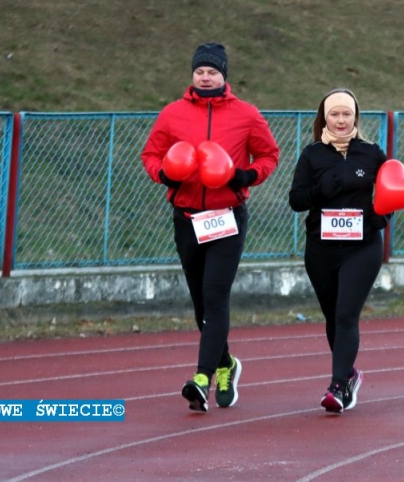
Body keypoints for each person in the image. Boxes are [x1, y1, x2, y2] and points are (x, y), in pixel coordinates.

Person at [141, 42, 280, 412]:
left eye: (212, 71)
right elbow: (150, 155)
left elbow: (269, 154)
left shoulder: (246, 115)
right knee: (201, 304)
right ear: (193, 75)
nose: (205, 77)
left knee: (216, 297)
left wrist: (246, 175)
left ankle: (201, 378)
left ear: (224, 76)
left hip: (226, 219)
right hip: (186, 219)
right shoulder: (171, 114)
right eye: (200, 71)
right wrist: (165, 174)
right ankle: (227, 364)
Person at [288, 88, 389, 414]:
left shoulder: (373, 153)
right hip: (321, 248)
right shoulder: (311, 155)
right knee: (333, 317)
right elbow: (296, 200)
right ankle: (348, 374)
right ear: (324, 118)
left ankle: (336, 386)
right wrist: (321, 190)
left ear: (356, 117)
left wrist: (382, 216)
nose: (341, 120)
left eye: (347, 114)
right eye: (335, 114)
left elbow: (392, 191)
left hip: (362, 247)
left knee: (347, 314)